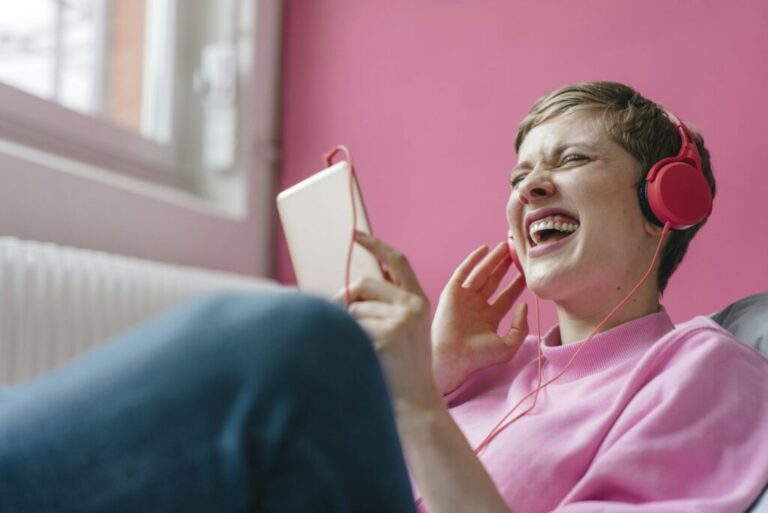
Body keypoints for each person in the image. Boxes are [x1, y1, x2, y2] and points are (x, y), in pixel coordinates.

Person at [1, 81, 767, 513]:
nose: (531, 185)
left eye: (570, 160)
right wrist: (433, 370)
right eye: (518, 175)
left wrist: (412, 404)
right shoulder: (490, 366)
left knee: (299, 343)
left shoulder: (702, 368)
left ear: (663, 204)